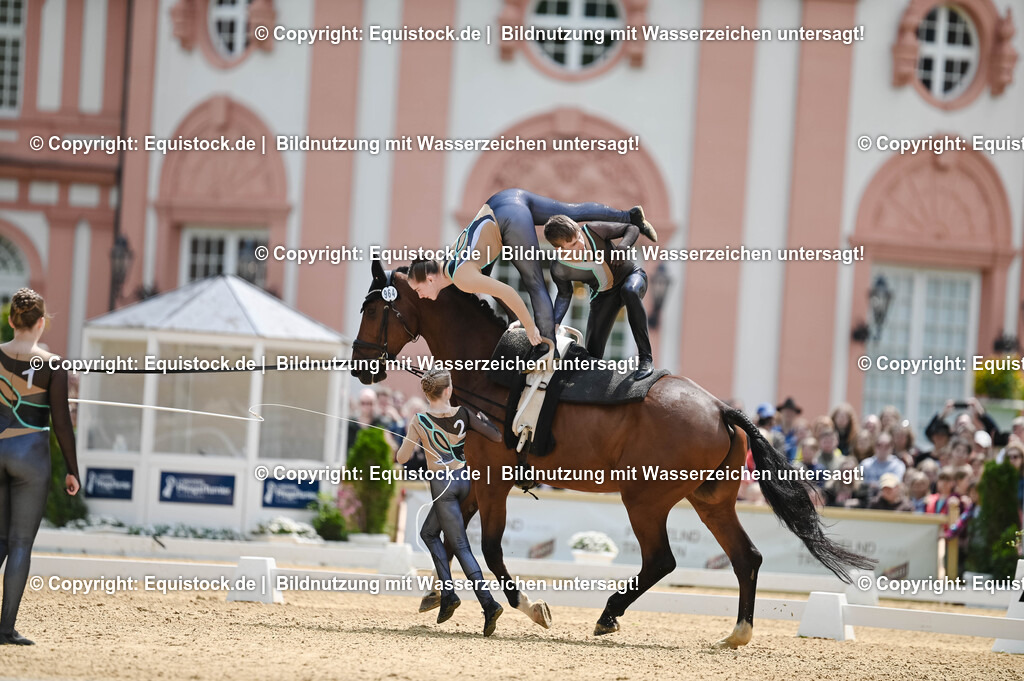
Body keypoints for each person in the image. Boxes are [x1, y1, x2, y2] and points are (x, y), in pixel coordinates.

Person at [407, 189, 657, 346]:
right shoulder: (446, 258)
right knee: (571, 211)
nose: (421, 297)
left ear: (430, 279)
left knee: (534, 280)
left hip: (508, 220)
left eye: (418, 290)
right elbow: (491, 284)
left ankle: (547, 345)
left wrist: (530, 329)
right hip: (503, 199)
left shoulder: (461, 277)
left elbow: (508, 292)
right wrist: (514, 320)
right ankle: (630, 216)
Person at [396, 368, 504, 636]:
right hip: (464, 482)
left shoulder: (420, 420)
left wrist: (410, 437)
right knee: (429, 532)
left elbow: (402, 458)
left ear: (427, 392)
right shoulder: (464, 414)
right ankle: (448, 594)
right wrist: (482, 419)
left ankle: (488, 603)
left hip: (442, 485)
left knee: (459, 545)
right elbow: (496, 436)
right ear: (448, 391)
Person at [0, 288, 80, 645]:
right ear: (42, 323)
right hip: (30, 457)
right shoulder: (54, 364)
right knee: (19, 544)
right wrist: (72, 469)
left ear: (11, 319)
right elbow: (62, 422)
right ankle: (5, 630)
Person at [543, 215, 654, 379]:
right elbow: (564, 295)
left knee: (629, 291)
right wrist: (555, 322)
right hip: (603, 296)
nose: (580, 244)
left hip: (632, 277)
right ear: (560, 249)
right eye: (573, 245)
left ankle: (645, 358)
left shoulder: (593, 230)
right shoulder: (560, 269)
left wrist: (623, 246)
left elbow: (632, 228)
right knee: (591, 357)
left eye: (578, 237)